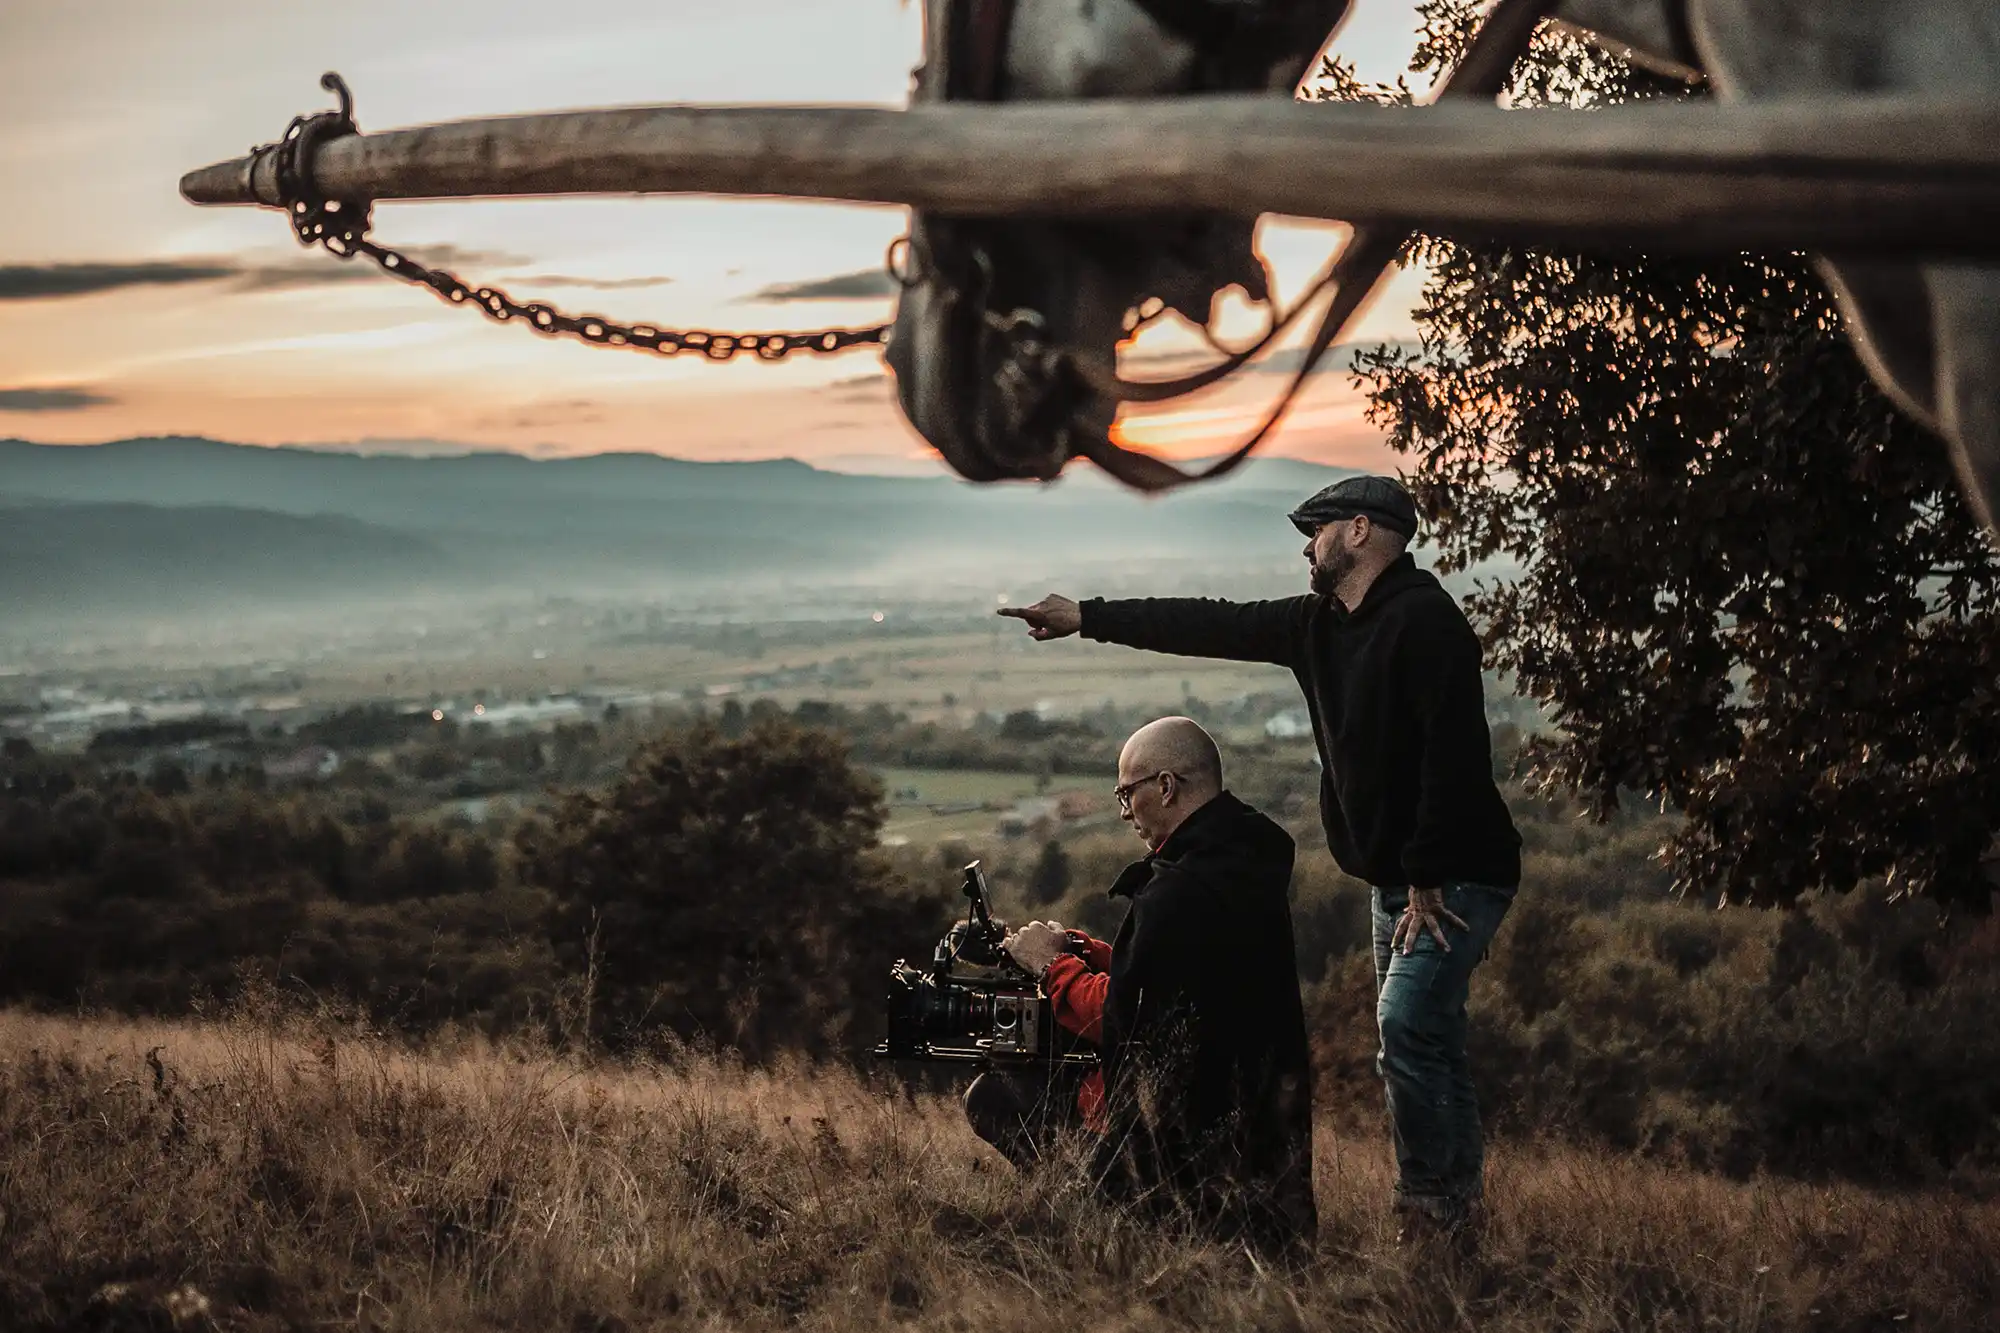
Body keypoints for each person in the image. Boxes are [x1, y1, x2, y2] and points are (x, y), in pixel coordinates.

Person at [997, 474, 1521, 1247]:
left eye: (1316, 531)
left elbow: (1454, 752)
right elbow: (1210, 623)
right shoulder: (1318, 626)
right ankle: (1448, 1211)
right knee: (1424, 1035)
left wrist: (1426, 873)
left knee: (1408, 1025)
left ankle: (1435, 1212)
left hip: (1453, 875)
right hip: (1397, 879)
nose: (1306, 548)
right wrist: (1087, 617)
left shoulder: (1425, 621)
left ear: (1360, 531)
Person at [962, 717, 1316, 1255]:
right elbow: (1178, 978)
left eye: (1127, 794)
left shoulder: (1180, 892)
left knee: (995, 1096)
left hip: (1182, 1169)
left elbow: (1124, 1019)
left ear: (1166, 787)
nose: (1125, 812)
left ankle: (1090, 1223)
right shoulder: (1237, 860)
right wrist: (1082, 951)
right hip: (1254, 1151)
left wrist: (1051, 969)